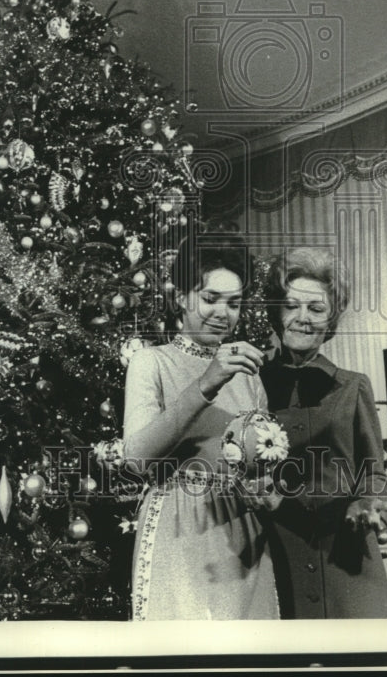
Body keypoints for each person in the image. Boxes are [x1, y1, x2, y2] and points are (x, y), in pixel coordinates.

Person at [122, 232, 280, 621]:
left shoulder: (249, 375)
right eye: (210, 298)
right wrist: (206, 383)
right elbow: (136, 458)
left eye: (234, 303)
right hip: (178, 529)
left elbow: (263, 466)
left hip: (243, 533)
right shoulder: (152, 362)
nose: (222, 313)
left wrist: (269, 491)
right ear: (180, 297)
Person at [260, 246, 387, 619]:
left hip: (348, 555)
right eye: (291, 306)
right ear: (276, 312)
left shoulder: (353, 387)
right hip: (277, 554)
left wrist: (366, 502)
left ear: (330, 319)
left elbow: (374, 470)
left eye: (316, 309)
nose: (303, 318)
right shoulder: (252, 386)